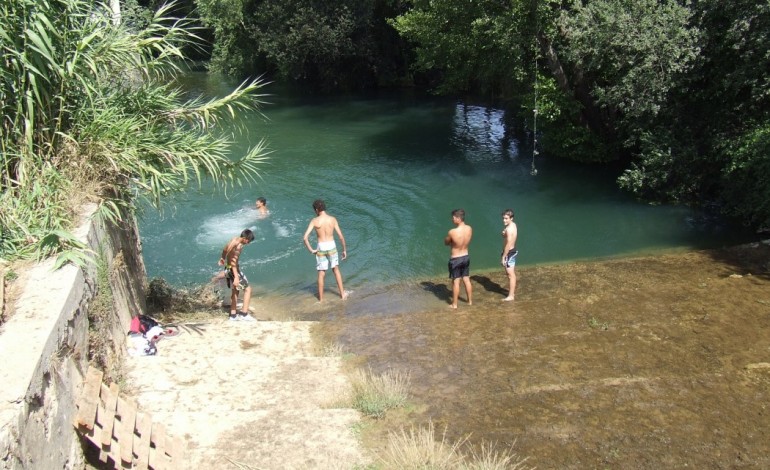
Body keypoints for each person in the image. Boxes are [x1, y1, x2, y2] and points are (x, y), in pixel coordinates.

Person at [302, 199, 348, 302]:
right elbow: (340, 236)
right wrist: (344, 250)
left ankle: (321, 299)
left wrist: (311, 250)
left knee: (321, 273)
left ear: (317, 210)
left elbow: (305, 238)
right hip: (331, 246)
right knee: (336, 270)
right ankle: (342, 295)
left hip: (321, 247)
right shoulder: (332, 219)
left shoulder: (315, 221)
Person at [218, 229, 256, 321]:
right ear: (245, 238)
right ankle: (244, 314)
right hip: (233, 270)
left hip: (228, 268)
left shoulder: (233, 240)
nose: (248, 243)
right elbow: (233, 262)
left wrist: (222, 258)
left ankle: (233, 316)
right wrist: (236, 277)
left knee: (236, 291)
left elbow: (225, 249)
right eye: (248, 241)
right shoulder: (238, 246)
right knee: (248, 289)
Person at [444, 208, 473, 309]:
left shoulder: (452, 232)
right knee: (466, 279)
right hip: (465, 256)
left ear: (458, 218)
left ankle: (454, 304)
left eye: (453, 218)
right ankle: (469, 301)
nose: (452, 220)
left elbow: (446, 242)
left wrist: (449, 240)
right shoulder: (469, 228)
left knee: (456, 281)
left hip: (456, 259)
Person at [501, 208, 518, 301]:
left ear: (511, 218)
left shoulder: (509, 229)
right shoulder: (513, 225)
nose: (504, 220)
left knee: (510, 274)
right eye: (503, 218)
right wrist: (504, 234)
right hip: (512, 251)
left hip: (509, 252)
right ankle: (511, 294)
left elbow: (509, 244)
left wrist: (503, 256)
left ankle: (511, 296)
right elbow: (508, 237)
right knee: (510, 274)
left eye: (506, 218)